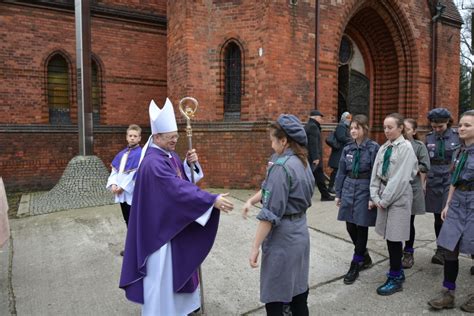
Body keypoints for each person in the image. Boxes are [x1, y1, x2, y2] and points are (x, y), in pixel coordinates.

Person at [119, 98, 234, 316]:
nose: (175, 141)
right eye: (171, 138)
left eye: (177, 137)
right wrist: (210, 200)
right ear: (157, 137)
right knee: (162, 276)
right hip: (158, 232)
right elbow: (175, 189)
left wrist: (189, 165)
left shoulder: (168, 154)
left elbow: (181, 178)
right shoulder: (152, 163)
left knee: (175, 272)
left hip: (169, 223)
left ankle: (181, 309)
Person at [242, 114, 315, 316]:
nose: (272, 146)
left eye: (273, 141)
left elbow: (269, 215)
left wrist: (255, 247)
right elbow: (270, 190)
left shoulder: (282, 167)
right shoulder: (303, 162)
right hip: (300, 231)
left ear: (284, 141)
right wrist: (251, 200)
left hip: (283, 238)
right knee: (299, 292)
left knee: (275, 296)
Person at [427, 110, 474, 313]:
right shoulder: (459, 151)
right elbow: (453, 179)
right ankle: (449, 293)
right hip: (457, 202)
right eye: (461, 125)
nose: (461, 128)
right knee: (449, 248)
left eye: (467, 125)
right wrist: (447, 204)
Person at [370, 113, 418, 296]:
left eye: (390, 127)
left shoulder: (405, 148)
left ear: (400, 129)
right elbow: (376, 173)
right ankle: (396, 271)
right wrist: (374, 195)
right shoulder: (384, 147)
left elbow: (400, 179)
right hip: (384, 195)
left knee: (394, 237)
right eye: (384, 127)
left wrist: (384, 200)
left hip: (397, 197)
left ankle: (396, 277)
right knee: (389, 237)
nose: (386, 131)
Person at [335, 114, 379, 285]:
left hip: (364, 187)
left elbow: (377, 174)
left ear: (365, 129)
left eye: (356, 128)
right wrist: (338, 193)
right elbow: (341, 172)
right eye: (351, 128)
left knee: (361, 226)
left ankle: (356, 262)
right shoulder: (347, 149)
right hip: (348, 187)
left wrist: (372, 196)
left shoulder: (373, 148)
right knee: (349, 225)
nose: (353, 131)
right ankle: (364, 255)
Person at [425, 108, 461, 265]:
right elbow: (426, 161)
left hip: (449, 178)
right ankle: (440, 249)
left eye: (440, 126)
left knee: (448, 216)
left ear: (447, 122)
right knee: (436, 216)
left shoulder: (457, 137)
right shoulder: (429, 137)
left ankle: (449, 249)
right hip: (434, 179)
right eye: (434, 127)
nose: (437, 130)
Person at [106, 124, 142, 256]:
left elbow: (136, 175)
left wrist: (123, 187)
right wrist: (114, 184)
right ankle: (132, 248)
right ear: (127, 137)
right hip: (121, 194)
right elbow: (114, 172)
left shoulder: (141, 154)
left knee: (135, 222)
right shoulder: (121, 154)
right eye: (130, 136)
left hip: (132, 194)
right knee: (128, 220)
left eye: (135, 136)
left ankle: (137, 249)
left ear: (139, 138)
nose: (132, 138)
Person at [401, 118, 430, 269]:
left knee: (408, 221)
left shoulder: (418, 146)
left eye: (406, 128)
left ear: (414, 131)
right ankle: (397, 248)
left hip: (412, 187)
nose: (404, 130)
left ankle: (408, 251)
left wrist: (409, 168)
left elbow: (425, 165)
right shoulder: (393, 144)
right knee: (396, 221)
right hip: (396, 189)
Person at [305, 109, 335, 201]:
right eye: (320, 118)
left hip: (311, 157)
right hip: (314, 158)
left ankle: (325, 195)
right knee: (311, 177)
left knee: (319, 177)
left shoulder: (309, 126)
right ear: (316, 118)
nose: (321, 120)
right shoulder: (313, 127)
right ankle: (323, 195)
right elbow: (313, 143)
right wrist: (316, 158)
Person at [328, 112, 352, 193]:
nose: (349, 119)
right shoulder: (341, 126)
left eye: (350, 118)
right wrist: (351, 140)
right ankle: (331, 186)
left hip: (341, 151)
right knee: (336, 170)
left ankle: (335, 186)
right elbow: (341, 137)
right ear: (344, 118)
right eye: (348, 118)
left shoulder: (344, 126)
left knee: (338, 170)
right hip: (338, 152)